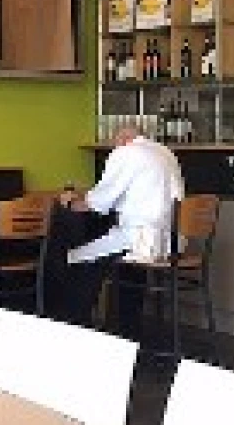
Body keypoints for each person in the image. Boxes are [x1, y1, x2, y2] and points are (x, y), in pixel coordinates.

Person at [53, 125, 184, 335]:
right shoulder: (165, 152)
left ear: (122, 139)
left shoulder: (126, 153)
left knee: (75, 258)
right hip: (171, 241)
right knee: (123, 262)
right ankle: (128, 328)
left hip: (140, 238)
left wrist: (69, 202)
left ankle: (75, 328)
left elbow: (98, 203)